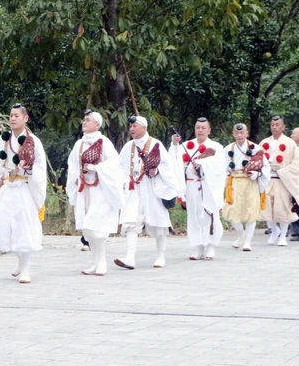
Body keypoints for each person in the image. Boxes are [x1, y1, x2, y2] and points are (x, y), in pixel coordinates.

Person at [0, 103, 47, 284]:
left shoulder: (33, 141)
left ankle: (26, 269)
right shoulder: (3, 139)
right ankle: (20, 262)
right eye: (11, 115)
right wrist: (0, 177)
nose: (13, 118)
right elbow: (0, 162)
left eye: (17, 115)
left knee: (25, 226)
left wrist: (28, 169)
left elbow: (40, 166)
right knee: (8, 225)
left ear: (26, 118)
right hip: (9, 187)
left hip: (24, 188)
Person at [115, 115, 179, 269]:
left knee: (158, 222)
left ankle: (160, 256)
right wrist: (125, 181)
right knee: (131, 221)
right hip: (134, 188)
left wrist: (156, 171)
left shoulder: (155, 144)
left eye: (135, 126)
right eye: (130, 127)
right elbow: (120, 167)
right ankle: (130, 257)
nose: (132, 129)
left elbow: (167, 166)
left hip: (152, 188)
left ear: (144, 127)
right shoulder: (127, 147)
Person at [65, 110, 123, 276]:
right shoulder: (80, 144)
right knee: (87, 229)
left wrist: (96, 168)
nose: (84, 122)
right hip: (85, 190)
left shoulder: (104, 142)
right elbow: (73, 165)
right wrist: (77, 176)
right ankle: (96, 263)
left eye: (88, 120)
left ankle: (102, 261)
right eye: (84, 120)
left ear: (97, 125)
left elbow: (113, 164)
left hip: (100, 191)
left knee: (97, 227)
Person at [170, 118, 226, 260]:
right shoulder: (186, 145)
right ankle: (198, 248)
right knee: (194, 216)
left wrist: (202, 164)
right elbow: (174, 161)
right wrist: (175, 145)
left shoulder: (216, 146)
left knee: (209, 214)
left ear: (209, 130)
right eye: (197, 127)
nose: (200, 130)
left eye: (203, 127)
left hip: (207, 186)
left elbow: (219, 166)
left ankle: (211, 246)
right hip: (191, 185)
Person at [259, 116, 299, 246]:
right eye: (272, 124)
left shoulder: (290, 143)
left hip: (283, 180)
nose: (274, 127)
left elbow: (297, 164)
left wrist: (282, 170)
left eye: (277, 124)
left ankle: (283, 236)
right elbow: (257, 160)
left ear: (283, 127)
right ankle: (274, 230)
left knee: (283, 208)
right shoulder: (264, 143)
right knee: (266, 207)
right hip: (268, 180)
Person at [222, 123, 270, 252]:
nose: (239, 135)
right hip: (234, 183)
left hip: (250, 182)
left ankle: (248, 241)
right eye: (236, 133)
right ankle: (241, 234)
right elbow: (222, 168)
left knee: (251, 211)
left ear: (246, 133)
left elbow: (265, 167)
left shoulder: (256, 148)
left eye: (242, 133)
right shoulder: (227, 149)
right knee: (232, 210)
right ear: (233, 134)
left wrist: (257, 174)